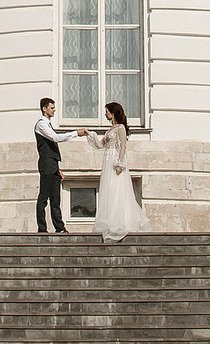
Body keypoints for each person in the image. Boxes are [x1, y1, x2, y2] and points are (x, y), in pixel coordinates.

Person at [90, 100, 151, 240]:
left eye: (107, 112)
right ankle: (109, 221)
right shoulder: (110, 130)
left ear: (113, 113)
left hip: (115, 161)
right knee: (109, 190)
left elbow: (123, 146)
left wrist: (119, 164)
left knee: (117, 189)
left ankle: (120, 221)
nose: (105, 114)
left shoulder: (120, 129)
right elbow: (101, 145)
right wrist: (91, 135)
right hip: (107, 161)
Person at [34, 97, 83, 234]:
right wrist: (75, 133)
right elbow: (55, 138)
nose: (54, 110)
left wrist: (57, 168)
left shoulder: (48, 125)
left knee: (56, 198)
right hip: (47, 163)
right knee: (44, 197)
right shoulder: (41, 124)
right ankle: (42, 228)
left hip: (53, 164)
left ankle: (59, 228)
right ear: (44, 109)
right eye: (51, 108)